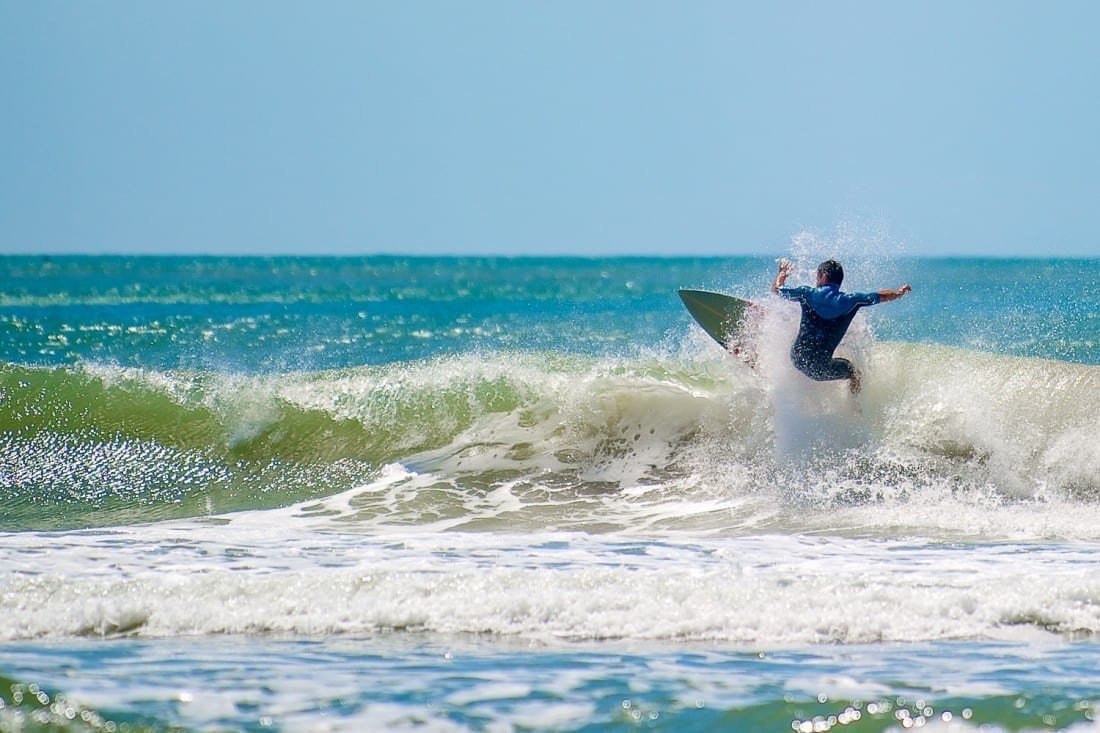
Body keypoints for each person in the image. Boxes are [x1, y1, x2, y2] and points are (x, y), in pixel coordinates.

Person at [771, 258, 911, 394]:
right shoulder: (851, 301)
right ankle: (856, 411)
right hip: (820, 370)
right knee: (854, 373)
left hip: (796, 358)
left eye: (817, 276)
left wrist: (783, 271)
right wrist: (899, 293)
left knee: (798, 338)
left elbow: (777, 289)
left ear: (823, 276)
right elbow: (880, 296)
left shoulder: (806, 293)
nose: (816, 281)